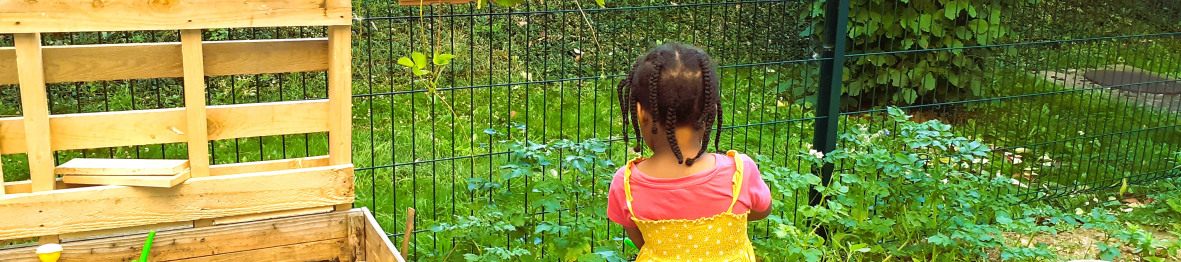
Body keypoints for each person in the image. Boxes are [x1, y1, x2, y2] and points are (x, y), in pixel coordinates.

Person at [607, 42, 773, 261]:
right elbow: (761, 210)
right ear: (711, 109)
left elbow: (641, 241)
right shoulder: (740, 173)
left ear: (640, 112)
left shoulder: (626, 185)